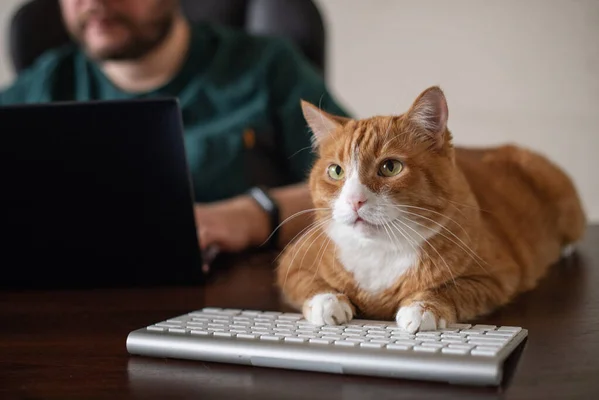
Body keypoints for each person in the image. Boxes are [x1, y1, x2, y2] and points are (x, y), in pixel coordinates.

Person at [0, 0, 349, 270]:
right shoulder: (45, 83)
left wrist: (256, 213)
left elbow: (366, 186)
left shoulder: (268, 67)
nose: (93, 2)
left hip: (239, 304)